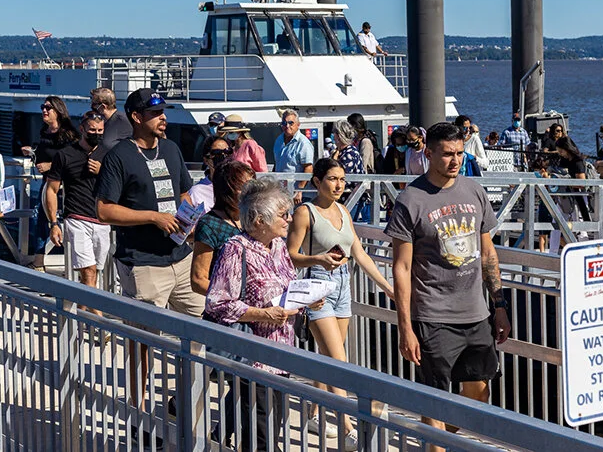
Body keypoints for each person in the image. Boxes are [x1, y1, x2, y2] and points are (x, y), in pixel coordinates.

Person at [387, 122, 510, 449]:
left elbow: (488, 253)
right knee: (437, 400)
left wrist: (500, 307)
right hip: (432, 315)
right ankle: (435, 443)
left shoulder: (474, 190)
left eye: (459, 153)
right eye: (446, 154)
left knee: (478, 395)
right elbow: (401, 268)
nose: (454, 161)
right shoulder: (410, 200)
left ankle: (434, 439)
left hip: (475, 313)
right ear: (428, 154)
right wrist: (405, 328)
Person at [96, 88, 203, 442]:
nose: (163, 118)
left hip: (181, 257)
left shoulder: (171, 149)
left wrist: (189, 216)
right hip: (142, 263)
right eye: (155, 113)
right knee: (143, 342)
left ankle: (183, 403)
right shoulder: (119, 156)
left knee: (201, 332)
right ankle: (138, 414)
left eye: (164, 111)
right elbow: (104, 210)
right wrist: (153, 218)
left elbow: (185, 191)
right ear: (136, 117)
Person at [205, 178, 322, 452]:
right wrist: (263, 314)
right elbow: (217, 302)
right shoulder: (237, 249)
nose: (290, 219)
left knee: (271, 429)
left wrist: (307, 299)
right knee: (261, 436)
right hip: (254, 357)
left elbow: (288, 287)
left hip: (281, 353)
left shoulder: (279, 246)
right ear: (259, 220)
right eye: (283, 215)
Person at [288, 158, 394, 450]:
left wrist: (388, 288)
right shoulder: (305, 213)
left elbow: (360, 254)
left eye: (342, 180)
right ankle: (348, 426)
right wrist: (317, 259)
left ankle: (312, 412)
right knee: (338, 360)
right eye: (332, 179)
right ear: (317, 182)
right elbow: (290, 255)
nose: (339, 185)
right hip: (318, 284)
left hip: (343, 284)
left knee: (327, 357)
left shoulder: (344, 211)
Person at [45, 111, 109, 290]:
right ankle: (94, 316)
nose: (96, 134)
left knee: (94, 273)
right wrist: (54, 224)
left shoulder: (109, 155)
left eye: (100, 131)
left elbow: (122, 186)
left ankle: (83, 313)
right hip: (77, 218)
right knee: (88, 271)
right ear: (82, 129)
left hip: (102, 221)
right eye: (92, 130)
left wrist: (102, 171)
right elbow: (51, 190)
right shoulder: (65, 155)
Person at [190, 160, 256, 295]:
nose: (252, 192)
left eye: (253, 185)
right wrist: (231, 299)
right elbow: (198, 280)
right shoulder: (209, 224)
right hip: (227, 308)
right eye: (244, 186)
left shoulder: (254, 219)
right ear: (227, 189)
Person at [25, 95, 79, 252]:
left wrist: (51, 165)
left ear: (58, 111)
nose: (44, 110)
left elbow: (73, 159)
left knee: (56, 220)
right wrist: (33, 153)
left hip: (64, 187)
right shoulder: (44, 132)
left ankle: (63, 256)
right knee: (39, 219)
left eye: (48, 108)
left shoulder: (69, 135)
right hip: (46, 183)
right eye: (43, 107)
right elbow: (45, 154)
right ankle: (39, 258)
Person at [274, 109, 314, 204]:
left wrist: (299, 191)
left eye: (291, 123)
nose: (287, 126)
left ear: (298, 124)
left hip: (299, 196)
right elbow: (277, 165)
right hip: (282, 193)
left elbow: (308, 168)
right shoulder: (279, 140)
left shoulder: (304, 143)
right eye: (284, 123)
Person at [554, 136, 592, 224]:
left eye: (561, 151)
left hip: (578, 194)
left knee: (579, 221)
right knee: (558, 219)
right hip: (568, 194)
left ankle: (582, 236)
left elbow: (582, 183)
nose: (560, 154)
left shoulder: (578, 162)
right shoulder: (566, 160)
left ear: (567, 149)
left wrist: (565, 182)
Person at [188, 136, 232, 213]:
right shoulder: (197, 192)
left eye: (228, 151)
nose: (224, 157)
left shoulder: (238, 187)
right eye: (217, 153)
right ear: (206, 160)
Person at [90, 87, 132, 151]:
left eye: (94, 104)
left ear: (103, 106)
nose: (91, 106)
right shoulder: (100, 120)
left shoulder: (124, 121)